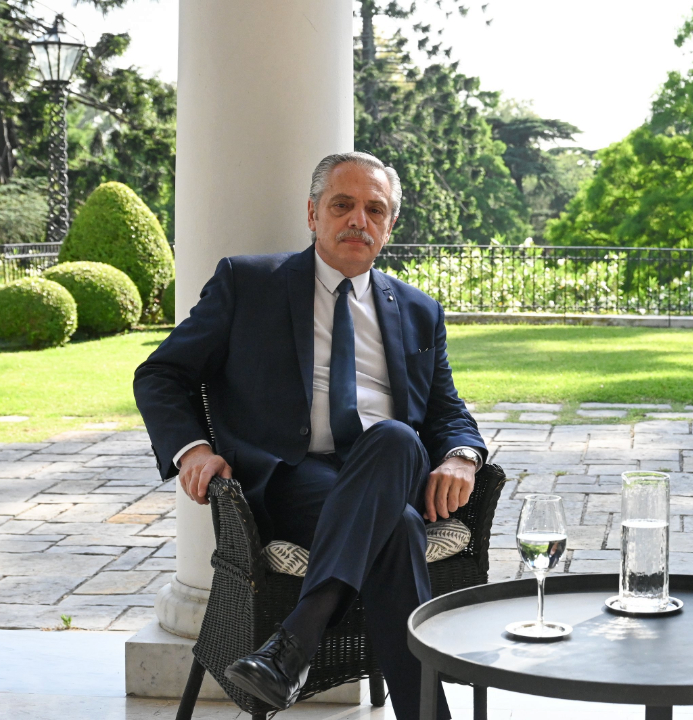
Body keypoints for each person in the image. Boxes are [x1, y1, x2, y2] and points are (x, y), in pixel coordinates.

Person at [134, 151, 485, 720]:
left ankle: (294, 643)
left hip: (392, 467)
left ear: (390, 224)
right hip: (292, 481)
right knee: (397, 529)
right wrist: (192, 450)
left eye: (375, 210)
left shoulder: (419, 310)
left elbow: (447, 409)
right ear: (312, 213)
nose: (358, 221)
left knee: (396, 439)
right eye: (342, 205)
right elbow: (161, 374)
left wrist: (463, 456)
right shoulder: (249, 284)